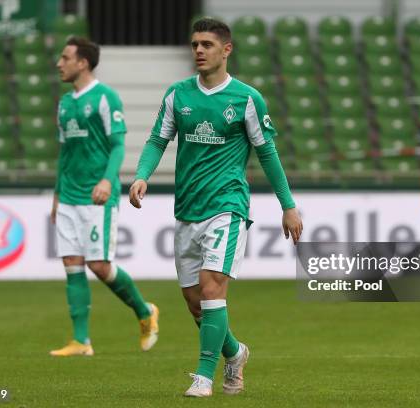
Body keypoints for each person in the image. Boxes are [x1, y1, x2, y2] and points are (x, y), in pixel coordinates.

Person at [129, 18, 303, 397]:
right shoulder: (178, 94)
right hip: (187, 208)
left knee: (212, 290)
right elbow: (158, 139)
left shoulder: (246, 99)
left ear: (227, 50)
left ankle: (204, 377)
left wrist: (288, 206)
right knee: (196, 304)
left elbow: (267, 153)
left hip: (227, 206)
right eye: (195, 44)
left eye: (207, 44)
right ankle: (235, 352)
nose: (199, 51)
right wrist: (142, 174)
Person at [50, 36, 159, 357]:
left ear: (82, 62)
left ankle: (144, 311)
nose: (59, 63)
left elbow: (118, 145)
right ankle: (81, 341)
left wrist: (108, 181)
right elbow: (65, 153)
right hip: (69, 195)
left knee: (98, 265)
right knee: (72, 264)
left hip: (97, 195)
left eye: (65, 57)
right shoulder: (65, 103)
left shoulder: (105, 97)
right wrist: (57, 195)